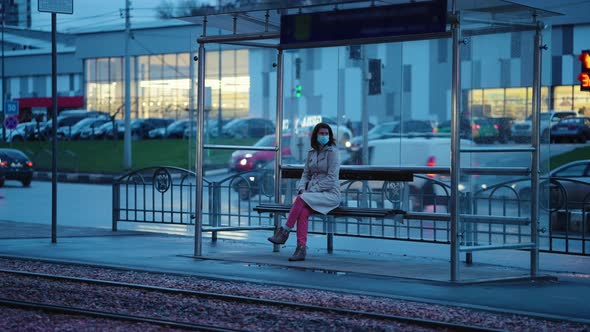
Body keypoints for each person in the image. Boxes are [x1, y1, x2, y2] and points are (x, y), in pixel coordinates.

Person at [267, 122, 341, 261]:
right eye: (321, 133)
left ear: (330, 136)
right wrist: (301, 188)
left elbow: (331, 178)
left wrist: (311, 190)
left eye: (326, 134)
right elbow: (305, 174)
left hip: (330, 194)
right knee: (303, 213)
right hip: (313, 194)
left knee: (301, 199)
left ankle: (284, 232)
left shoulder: (333, 153)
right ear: (316, 135)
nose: (324, 136)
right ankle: (301, 249)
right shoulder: (311, 153)